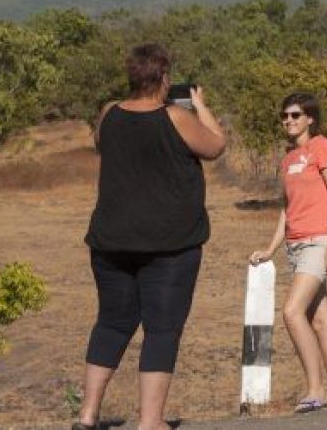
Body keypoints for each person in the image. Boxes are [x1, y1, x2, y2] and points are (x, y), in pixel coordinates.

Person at [74, 43, 226, 430]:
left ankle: (87, 415)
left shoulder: (108, 114)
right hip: (169, 246)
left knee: (110, 323)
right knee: (162, 328)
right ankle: (151, 421)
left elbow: (102, 145)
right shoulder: (175, 117)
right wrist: (201, 106)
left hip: (111, 243)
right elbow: (215, 146)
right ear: (163, 79)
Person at [249, 92, 327, 412]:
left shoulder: (323, 148)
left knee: (292, 313)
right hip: (295, 246)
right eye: (284, 116)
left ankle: (315, 389)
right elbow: (288, 208)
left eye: (295, 115)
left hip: (316, 243)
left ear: (310, 118)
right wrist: (271, 248)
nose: (289, 121)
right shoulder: (289, 158)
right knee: (321, 322)